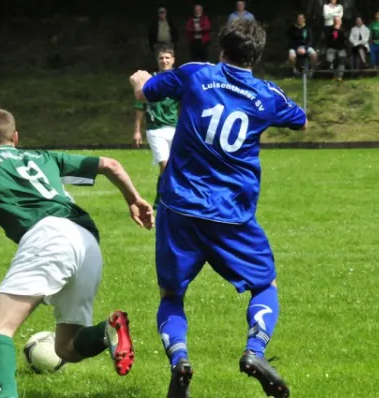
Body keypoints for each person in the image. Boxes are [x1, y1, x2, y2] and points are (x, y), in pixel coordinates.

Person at [130, 19, 307, 398]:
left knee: (171, 295)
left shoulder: (195, 74)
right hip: (232, 214)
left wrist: (138, 80)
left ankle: (180, 360)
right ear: (255, 56)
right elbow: (301, 120)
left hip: (179, 208)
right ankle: (254, 351)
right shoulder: (268, 94)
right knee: (265, 284)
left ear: (220, 48)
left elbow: (146, 92)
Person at [0, 109, 154, 398]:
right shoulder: (43, 157)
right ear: (16, 137)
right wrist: (134, 200)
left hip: (48, 237)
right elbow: (111, 164)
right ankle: (107, 331)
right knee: (67, 348)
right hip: (87, 242)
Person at [133, 46, 179, 209]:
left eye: (167, 57)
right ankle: (162, 203)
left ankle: (165, 200)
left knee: (176, 166)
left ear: (173, 60)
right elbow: (140, 107)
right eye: (161, 58)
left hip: (174, 128)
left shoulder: (178, 80)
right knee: (165, 165)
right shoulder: (150, 80)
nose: (164, 61)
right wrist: (137, 130)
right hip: (155, 129)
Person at [325, 16, 347, 81]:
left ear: (341, 22)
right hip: (331, 48)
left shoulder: (343, 30)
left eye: (339, 21)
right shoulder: (329, 29)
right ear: (334, 22)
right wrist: (335, 31)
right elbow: (328, 40)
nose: (337, 22)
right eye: (336, 21)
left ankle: (339, 76)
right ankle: (333, 76)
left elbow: (344, 40)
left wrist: (338, 30)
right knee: (329, 59)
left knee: (341, 59)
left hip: (341, 48)